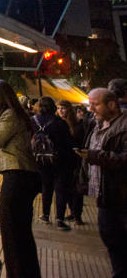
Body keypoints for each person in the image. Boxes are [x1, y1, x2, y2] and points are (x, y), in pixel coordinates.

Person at [0, 80, 41, 278]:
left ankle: (18, 273)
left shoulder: (9, 115)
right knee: (20, 231)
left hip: (17, 175)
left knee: (12, 231)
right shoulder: (16, 114)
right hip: (23, 175)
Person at [76, 88, 127, 276]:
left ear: (112, 105)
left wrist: (97, 157)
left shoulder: (123, 126)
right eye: (89, 104)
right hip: (105, 196)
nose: (91, 109)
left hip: (121, 196)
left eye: (95, 104)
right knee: (112, 242)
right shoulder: (97, 125)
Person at [32, 97, 75, 230]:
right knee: (60, 189)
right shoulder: (59, 122)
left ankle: (45, 214)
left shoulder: (33, 121)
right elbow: (68, 144)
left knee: (46, 187)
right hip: (59, 160)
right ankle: (59, 219)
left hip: (41, 160)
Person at [58, 99, 87, 225]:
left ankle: (77, 214)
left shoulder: (77, 125)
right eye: (58, 108)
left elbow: (80, 141)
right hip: (62, 162)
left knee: (77, 189)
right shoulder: (57, 123)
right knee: (67, 189)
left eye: (63, 108)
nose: (60, 111)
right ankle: (72, 211)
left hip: (75, 161)